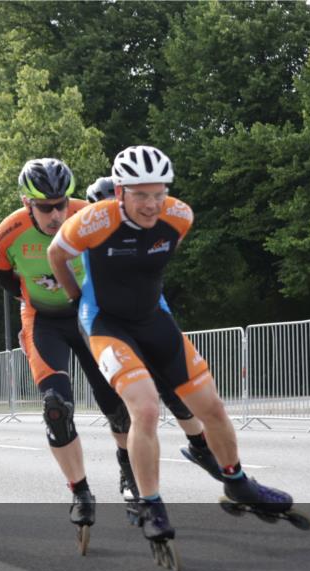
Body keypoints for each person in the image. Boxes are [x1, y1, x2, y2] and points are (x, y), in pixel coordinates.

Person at [49, 145, 299, 564]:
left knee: (211, 407)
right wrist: (77, 299)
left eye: (158, 193)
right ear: (120, 192)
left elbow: (154, 262)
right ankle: (150, 504)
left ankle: (236, 482)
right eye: (141, 195)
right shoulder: (94, 220)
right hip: (106, 325)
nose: (151, 204)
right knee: (145, 408)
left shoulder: (179, 216)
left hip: (152, 320)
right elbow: (57, 255)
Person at [0, 158, 122, 550]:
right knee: (55, 409)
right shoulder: (8, 234)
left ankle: (130, 470)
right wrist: (32, 299)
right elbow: (3, 275)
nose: (56, 214)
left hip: (88, 315)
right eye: (45, 207)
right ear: (26, 203)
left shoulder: (89, 216)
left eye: (61, 204)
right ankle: (80, 491)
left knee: (117, 403)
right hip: (43, 321)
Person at [84, 175, 222, 488]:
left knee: (176, 390)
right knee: (120, 410)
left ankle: (200, 448)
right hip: (106, 329)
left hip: (146, 320)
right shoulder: (85, 241)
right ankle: (128, 472)